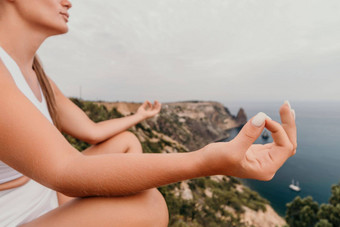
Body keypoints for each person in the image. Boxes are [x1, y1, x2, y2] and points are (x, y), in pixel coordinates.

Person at [0, 0, 297, 226]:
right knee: (149, 206)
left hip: (44, 197)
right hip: (15, 215)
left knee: (127, 142)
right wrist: (206, 160)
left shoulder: (37, 74)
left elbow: (91, 131)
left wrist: (140, 116)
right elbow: (65, 171)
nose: (68, 2)